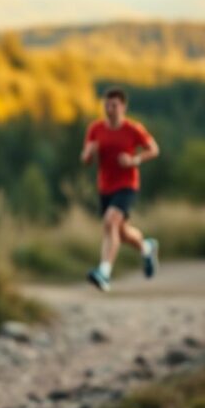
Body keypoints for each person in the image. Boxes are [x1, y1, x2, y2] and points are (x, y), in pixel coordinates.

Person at [80, 87, 160, 292]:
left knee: (110, 221)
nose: (109, 109)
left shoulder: (133, 129)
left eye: (114, 105)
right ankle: (146, 247)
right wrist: (89, 153)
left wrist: (134, 160)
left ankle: (104, 274)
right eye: (106, 105)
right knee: (121, 233)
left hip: (127, 185)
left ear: (123, 106)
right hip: (105, 187)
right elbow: (85, 159)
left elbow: (154, 149)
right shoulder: (95, 129)